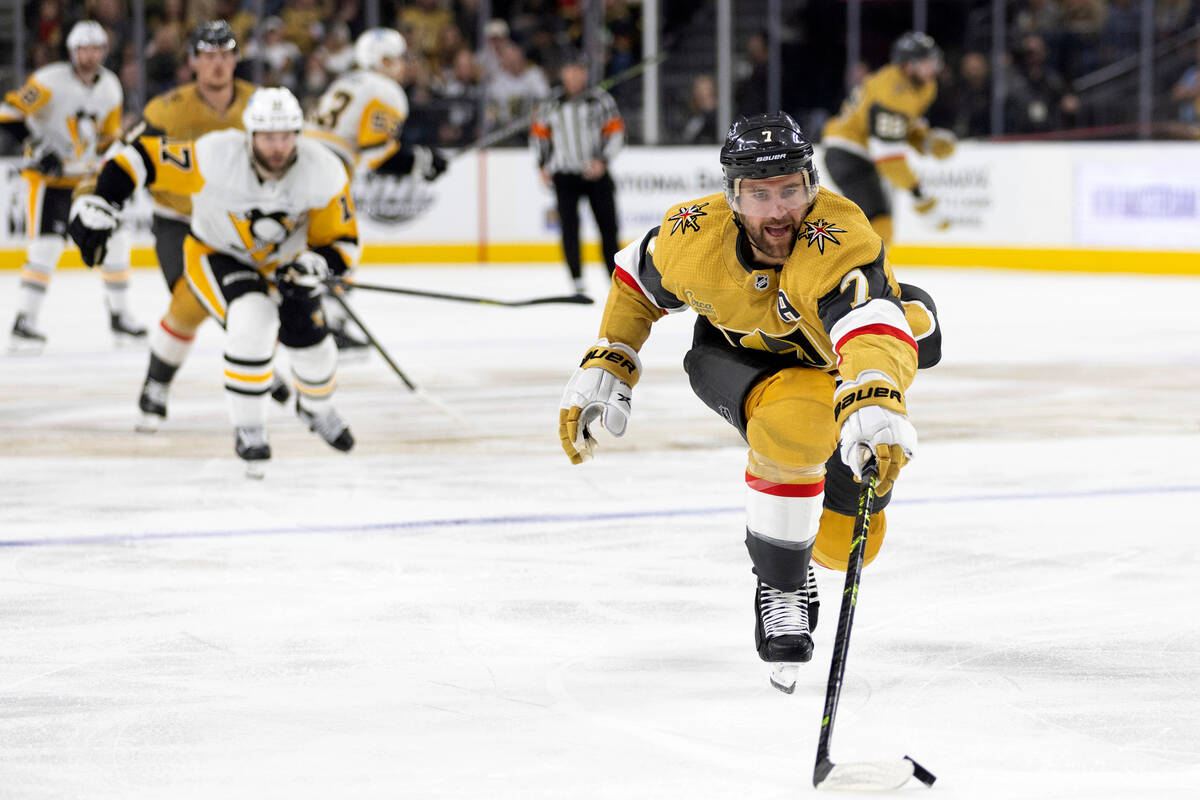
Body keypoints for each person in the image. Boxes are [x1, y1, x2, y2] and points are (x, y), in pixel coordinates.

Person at [556, 112, 942, 693]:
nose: (778, 209)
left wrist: (873, 389)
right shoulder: (695, 235)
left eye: (790, 189)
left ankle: (804, 554)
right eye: (759, 194)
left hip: (835, 364)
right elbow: (637, 279)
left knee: (845, 547)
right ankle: (782, 585)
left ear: (811, 185)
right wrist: (613, 352)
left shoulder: (837, 234)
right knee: (798, 419)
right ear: (732, 197)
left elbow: (866, 319)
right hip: (734, 359)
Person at [69, 87, 359, 476]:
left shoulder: (323, 171)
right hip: (215, 253)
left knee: (316, 351)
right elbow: (141, 157)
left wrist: (316, 264)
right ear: (250, 135)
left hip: (284, 265)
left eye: (286, 136)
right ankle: (249, 428)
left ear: (298, 135)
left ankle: (317, 409)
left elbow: (341, 242)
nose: (278, 147)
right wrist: (103, 200)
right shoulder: (216, 155)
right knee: (252, 320)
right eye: (268, 137)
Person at [126, 20, 283, 433]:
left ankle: (249, 357)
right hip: (180, 222)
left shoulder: (260, 105)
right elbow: (127, 160)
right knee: (189, 300)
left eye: (226, 55)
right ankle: (158, 384)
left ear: (236, 59)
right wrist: (98, 197)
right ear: (193, 62)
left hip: (240, 226)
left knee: (254, 299)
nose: (218, 65)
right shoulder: (166, 109)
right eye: (209, 56)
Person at [0, 19, 143, 350]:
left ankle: (120, 317)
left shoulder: (110, 87)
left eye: (95, 49)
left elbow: (108, 137)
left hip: (86, 181)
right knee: (46, 248)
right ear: (71, 51)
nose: (89, 56)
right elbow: (8, 112)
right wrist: (39, 148)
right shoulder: (49, 81)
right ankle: (25, 321)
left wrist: (118, 164)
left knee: (117, 240)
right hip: (48, 180)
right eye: (83, 49)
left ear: (104, 52)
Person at [306, 27, 449, 350]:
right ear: (382, 60)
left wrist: (419, 161)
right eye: (396, 59)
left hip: (303, 158)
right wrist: (423, 162)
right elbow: (378, 154)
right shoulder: (387, 90)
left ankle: (313, 319)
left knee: (310, 249)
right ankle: (328, 325)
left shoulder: (347, 81)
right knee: (340, 247)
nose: (402, 66)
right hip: (328, 169)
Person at [822, 31, 956, 247]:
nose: (934, 67)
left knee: (878, 230)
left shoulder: (924, 86)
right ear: (907, 66)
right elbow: (888, 157)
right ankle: (856, 275)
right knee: (879, 227)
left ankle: (864, 274)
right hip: (848, 155)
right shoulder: (891, 92)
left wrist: (925, 140)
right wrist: (919, 196)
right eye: (926, 62)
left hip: (860, 155)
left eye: (934, 60)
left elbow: (907, 125)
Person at [531, 56, 624, 298]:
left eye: (578, 71)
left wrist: (602, 161)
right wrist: (542, 165)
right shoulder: (551, 104)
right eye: (569, 71)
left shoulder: (600, 100)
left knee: (608, 228)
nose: (573, 76)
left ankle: (616, 279)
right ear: (563, 74)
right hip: (565, 175)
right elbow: (540, 135)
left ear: (584, 74)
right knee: (569, 229)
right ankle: (577, 281)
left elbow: (615, 132)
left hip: (595, 175)